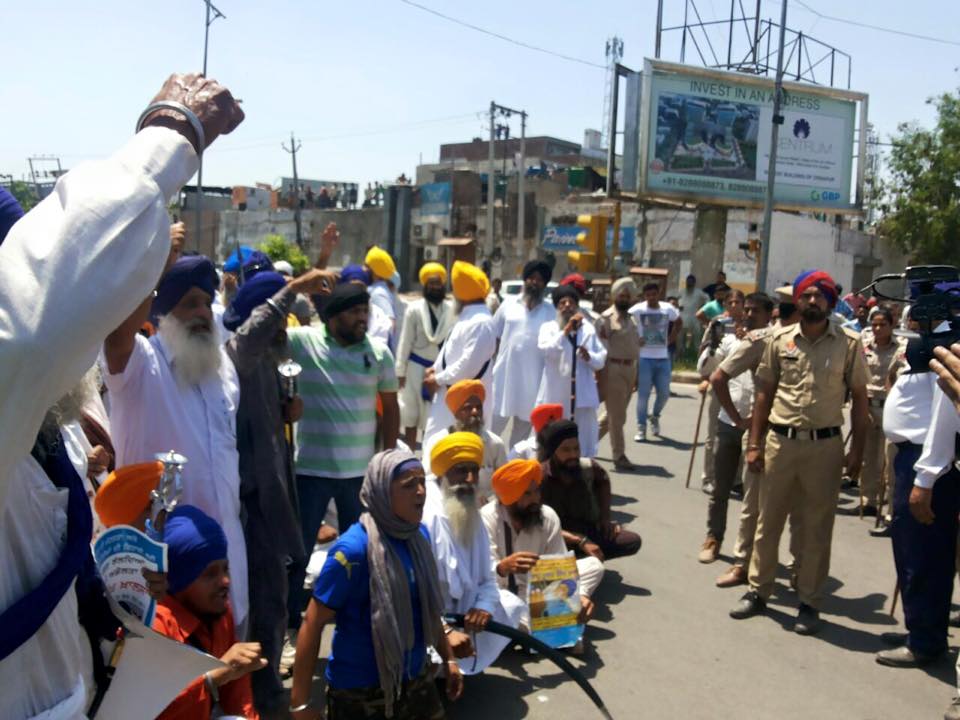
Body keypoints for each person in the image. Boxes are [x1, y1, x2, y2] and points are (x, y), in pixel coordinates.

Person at [0, 73, 242, 719]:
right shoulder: (122, 360)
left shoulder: (44, 412)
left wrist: (120, 583)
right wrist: (173, 130)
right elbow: (33, 324)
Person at [104, 253, 250, 630]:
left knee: (229, 673)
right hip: (164, 572)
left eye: (207, 301)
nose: (203, 311)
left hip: (226, 560)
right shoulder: (142, 364)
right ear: (161, 315)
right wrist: (157, 261)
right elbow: (117, 338)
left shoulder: (222, 370)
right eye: (190, 304)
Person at [730, 269, 868, 635]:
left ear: (829, 301)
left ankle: (809, 602)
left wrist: (858, 453)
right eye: (806, 295)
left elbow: (860, 401)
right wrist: (755, 444)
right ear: (798, 299)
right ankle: (758, 591)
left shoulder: (850, 344)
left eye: (818, 296)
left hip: (825, 447)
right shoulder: (779, 340)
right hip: (779, 442)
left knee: (816, 527)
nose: (811, 301)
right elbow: (764, 394)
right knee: (767, 521)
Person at [223, 267, 335, 713]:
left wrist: (286, 412)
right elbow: (252, 335)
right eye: (278, 319)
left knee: (272, 603)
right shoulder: (239, 353)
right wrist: (292, 289)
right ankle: (251, 692)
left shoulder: (270, 360)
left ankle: (265, 687)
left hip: (273, 503)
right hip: (248, 506)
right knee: (255, 604)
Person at [288, 450, 463, 720]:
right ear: (381, 492)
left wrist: (448, 659)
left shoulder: (418, 537)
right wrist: (299, 703)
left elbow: (426, 607)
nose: (420, 492)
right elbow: (312, 623)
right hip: (359, 691)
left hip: (414, 678)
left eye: (421, 482)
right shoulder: (353, 551)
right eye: (408, 485)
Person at [285, 282, 400, 638]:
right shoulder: (302, 342)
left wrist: (388, 459)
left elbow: (391, 407)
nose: (362, 318)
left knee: (361, 553)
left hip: (359, 476)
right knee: (298, 554)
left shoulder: (379, 352)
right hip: (309, 471)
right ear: (333, 316)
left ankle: (355, 624)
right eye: (353, 312)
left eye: (365, 311)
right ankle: (290, 627)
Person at [711, 288, 801, 587]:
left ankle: (797, 569)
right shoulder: (762, 341)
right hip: (764, 432)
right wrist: (740, 420)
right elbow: (718, 377)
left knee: (796, 506)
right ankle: (742, 563)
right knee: (754, 504)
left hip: (802, 435)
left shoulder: (820, 343)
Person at [423, 432, 526, 674]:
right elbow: (413, 593)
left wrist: (483, 608)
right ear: (442, 472)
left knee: (509, 604)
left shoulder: (471, 512)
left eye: (475, 471)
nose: (470, 479)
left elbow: (487, 578)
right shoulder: (427, 518)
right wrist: (445, 630)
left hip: (465, 615)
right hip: (429, 621)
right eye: (461, 470)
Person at [154, 506, 264, 720]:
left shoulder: (219, 613)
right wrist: (210, 680)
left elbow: (238, 702)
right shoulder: (156, 626)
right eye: (209, 574)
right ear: (179, 580)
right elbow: (149, 709)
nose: (225, 581)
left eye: (225, 569)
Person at [481, 460, 602, 631]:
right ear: (509, 499)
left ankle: (545, 625)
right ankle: (542, 627)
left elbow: (559, 567)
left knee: (593, 565)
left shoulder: (546, 516)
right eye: (527, 494)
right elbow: (482, 575)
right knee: (507, 609)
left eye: (536, 491)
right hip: (502, 591)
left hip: (540, 588)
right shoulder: (487, 518)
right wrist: (503, 567)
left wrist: (576, 594)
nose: (535, 499)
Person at [697, 293, 772, 564]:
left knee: (755, 497)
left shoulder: (773, 344)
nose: (749, 315)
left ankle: (750, 551)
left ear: (768, 315)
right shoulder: (729, 341)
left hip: (761, 429)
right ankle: (713, 537)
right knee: (720, 488)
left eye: (755, 311)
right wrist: (712, 346)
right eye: (747, 310)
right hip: (730, 423)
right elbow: (707, 371)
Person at [539, 419, 642, 561]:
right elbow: (537, 528)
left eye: (576, 448)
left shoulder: (588, 468)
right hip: (554, 538)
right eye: (566, 450)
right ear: (553, 452)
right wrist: (580, 540)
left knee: (631, 541)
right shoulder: (540, 477)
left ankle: (583, 559)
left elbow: (603, 481)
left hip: (585, 530)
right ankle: (578, 561)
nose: (573, 455)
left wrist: (605, 518)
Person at [423, 261, 496, 442]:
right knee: (435, 445)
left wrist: (438, 378)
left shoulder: (480, 322)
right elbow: (451, 350)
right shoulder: (468, 318)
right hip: (450, 396)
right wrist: (435, 368)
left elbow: (468, 366)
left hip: (465, 402)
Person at [490, 260, 555, 448]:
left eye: (540, 280)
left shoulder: (551, 311)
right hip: (504, 380)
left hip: (533, 385)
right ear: (525, 280)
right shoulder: (508, 305)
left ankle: (512, 474)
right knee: (491, 432)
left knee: (520, 442)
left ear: (545, 284)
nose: (535, 282)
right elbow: (493, 336)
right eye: (531, 278)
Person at [536, 285, 607, 458]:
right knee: (554, 439)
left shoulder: (588, 330)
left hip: (581, 398)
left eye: (571, 302)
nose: (567, 305)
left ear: (577, 306)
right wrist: (565, 331)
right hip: (556, 394)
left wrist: (589, 357)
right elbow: (546, 351)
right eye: (562, 302)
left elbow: (600, 360)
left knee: (582, 440)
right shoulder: (548, 328)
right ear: (557, 307)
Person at [395, 262, 455, 448]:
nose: (435, 287)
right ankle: (410, 455)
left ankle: (430, 458)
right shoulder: (414, 309)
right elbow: (405, 341)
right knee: (411, 414)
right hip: (415, 368)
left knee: (435, 416)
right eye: (431, 283)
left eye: (438, 283)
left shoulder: (452, 309)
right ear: (425, 285)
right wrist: (400, 372)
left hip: (439, 371)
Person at [422, 380, 507, 504]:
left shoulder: (495, 444)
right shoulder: (438, 441)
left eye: (478, 407)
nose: (475, 412)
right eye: (468, 408)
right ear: (456, 413)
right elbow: (428, 481)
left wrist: (490, 502)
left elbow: (505, 485)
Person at [856, 306, 905, 519]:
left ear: (891, 325)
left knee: (888, 460)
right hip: (867, 406)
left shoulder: (901, 348)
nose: (877, 328)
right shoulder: (864, 347)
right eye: (874, 324)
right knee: (868, 457)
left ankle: (890, 509)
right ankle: (868, 501)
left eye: (882, 324)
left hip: (890, 408)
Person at [697, 290, 746, 494]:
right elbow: (705, 352)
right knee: (713, 434)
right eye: (730, 302)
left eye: (738, 302)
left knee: (740, 432)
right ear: (725, 304)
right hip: (719, 383)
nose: (734, 305)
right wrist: (704, 378)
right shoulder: (717, 323)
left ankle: (736, 479)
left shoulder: (750, 324)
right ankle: (708, 477)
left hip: (742, 385)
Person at [597, 277, 641, 471]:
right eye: (621, 295)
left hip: (630, 368)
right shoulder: (605, 319)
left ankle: (584, 442)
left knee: (612, 415)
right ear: (615, 296)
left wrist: (637, 374)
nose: (624, 298)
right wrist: (601, 375)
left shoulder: (632, 319)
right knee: (618, 417)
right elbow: (600, 347)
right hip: (612, 368)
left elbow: (636, 347)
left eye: (627, 296)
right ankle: (619, 455)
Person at [630, 282, 682, 441]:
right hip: (645, 358)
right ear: (644, 296)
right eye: (648, 295)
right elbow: (624, 322)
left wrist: (671, 338)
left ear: (659, 293)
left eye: (654, 294)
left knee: (664, 393)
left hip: (663, 357)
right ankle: (641, 427)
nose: (651, 298)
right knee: (643, 395)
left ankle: (655, 416)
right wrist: (634, 339)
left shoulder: (667, 308)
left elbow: (679, 321)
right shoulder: (637, 310)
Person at [365, 246, 399, 348]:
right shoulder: (378, 289)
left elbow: (390, 324)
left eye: (366, 266)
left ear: (373, 270)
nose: (363, 269)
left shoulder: (378, 293)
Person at [678, 274, 709, 356]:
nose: (689, 284)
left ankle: (697, 354)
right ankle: (681, 354)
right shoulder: (682, 291)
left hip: (694, 317)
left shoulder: (698, 292)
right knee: (681, 338)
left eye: (691, 282)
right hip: (683, 317)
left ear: (694, 283)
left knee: (696, 337)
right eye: (688, 282)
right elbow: (675, 299)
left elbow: (707, 298)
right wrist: (678, 305)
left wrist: (703, 308)